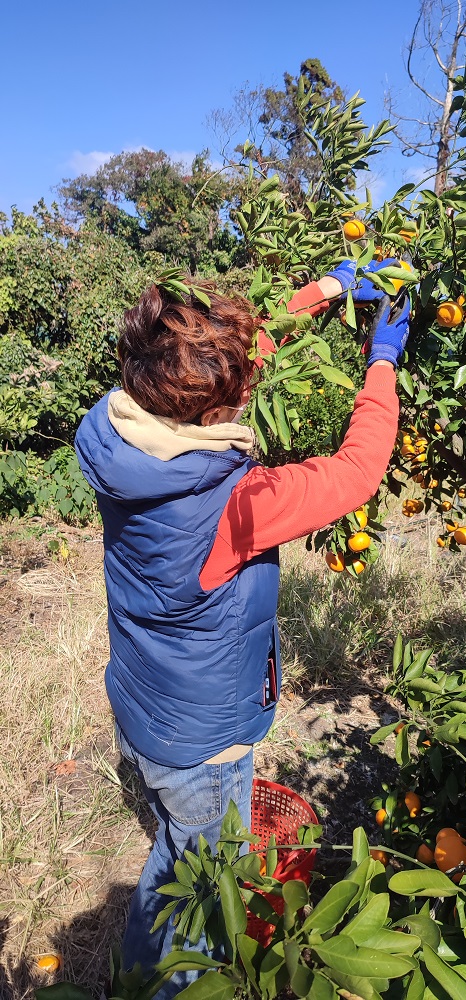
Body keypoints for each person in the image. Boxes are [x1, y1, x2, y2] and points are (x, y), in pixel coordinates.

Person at [74, 256, 410, 996]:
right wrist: (380, 363)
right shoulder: (233, 503)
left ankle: (133, 973)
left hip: (144, 702)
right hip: (205, 734)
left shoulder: (117, 432)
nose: (247, 395)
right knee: (204, 877)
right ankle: (176, 985)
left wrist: (320, 295)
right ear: (206, 410)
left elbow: (218, 366)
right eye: (235, 397)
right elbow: (356, 472)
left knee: (175, 848)